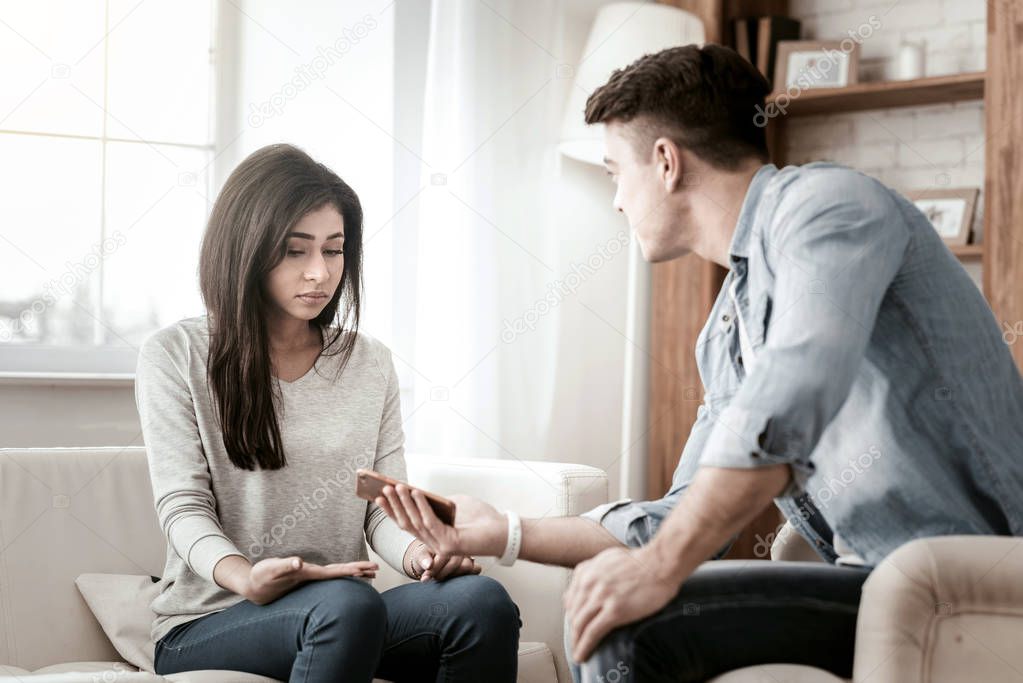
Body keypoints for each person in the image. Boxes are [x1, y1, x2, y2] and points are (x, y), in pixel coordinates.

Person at [375, 44, 1023, 682]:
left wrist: (656, 570)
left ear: (664, 162)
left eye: (612, 173)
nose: (616, 202)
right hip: (874, 585)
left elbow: (789, 403)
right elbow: (676, 520)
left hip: (975, 581)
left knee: (631, 622)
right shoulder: (727, 328)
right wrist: (503, 530)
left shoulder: (830, 206)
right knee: (610, 607)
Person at [135, 143, 520, 683]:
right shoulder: (175, 355)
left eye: (333, 251)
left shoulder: (370, 362)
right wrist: (246, 578)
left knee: (480, 601)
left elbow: (381, 507)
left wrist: (420, 558)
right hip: (211, 620)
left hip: (342, 613)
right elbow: (182, 507)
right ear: (245, 249)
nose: (319, 272)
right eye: (296, 251)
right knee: (344, 604)